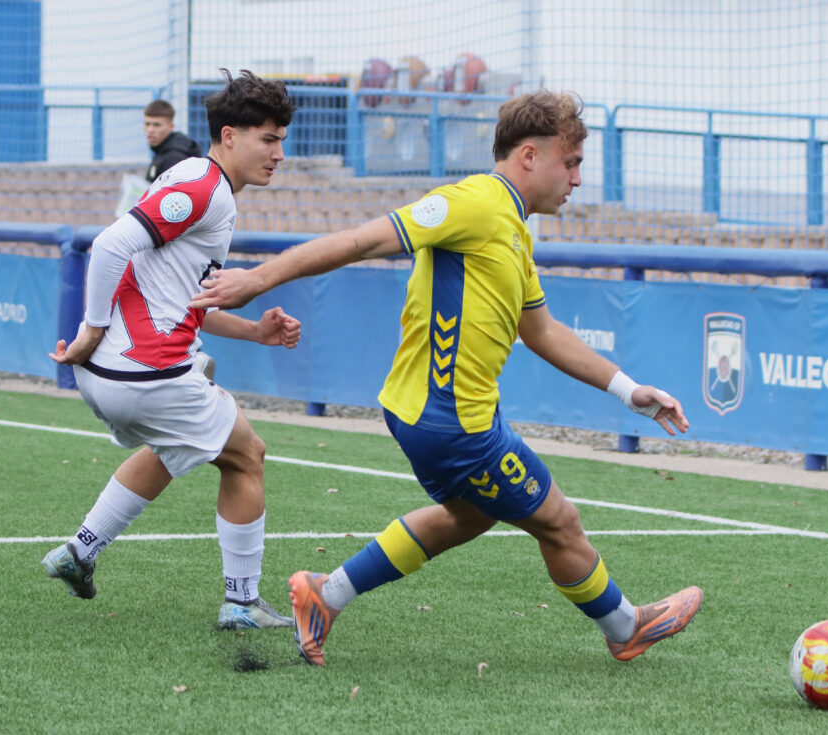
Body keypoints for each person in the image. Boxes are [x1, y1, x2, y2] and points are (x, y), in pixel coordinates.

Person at [191, 90, 703, 663]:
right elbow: (363, 240)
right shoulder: (476, 202)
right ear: (529, 156)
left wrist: (627, 390)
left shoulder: (512, 227)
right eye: (572, 162)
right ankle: (625, 627)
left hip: (429, 412)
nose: (578, 179)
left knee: (472, 514)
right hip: (451, 419)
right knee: (559, 520)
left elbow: (543, 331)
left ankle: (325, 594)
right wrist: (257, 280)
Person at [43, 70, 302, 630]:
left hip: (112, 373)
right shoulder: (206, 190)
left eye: (282, 138)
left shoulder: (191, 176)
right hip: (144, 374)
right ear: (229, 136)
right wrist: (90, 328)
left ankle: (78, 553)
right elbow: (111, 243)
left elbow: (185, 298)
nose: (280, 152)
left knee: (174, 446)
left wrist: (256, 331)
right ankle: (241, 603)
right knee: (246, 454)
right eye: (269, 139)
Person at [144, 99, 204, 183]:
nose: (150, 130)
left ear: (171, 126)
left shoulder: (174, 158)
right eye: (147, 124)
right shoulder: (161, 150)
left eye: (156, 125)